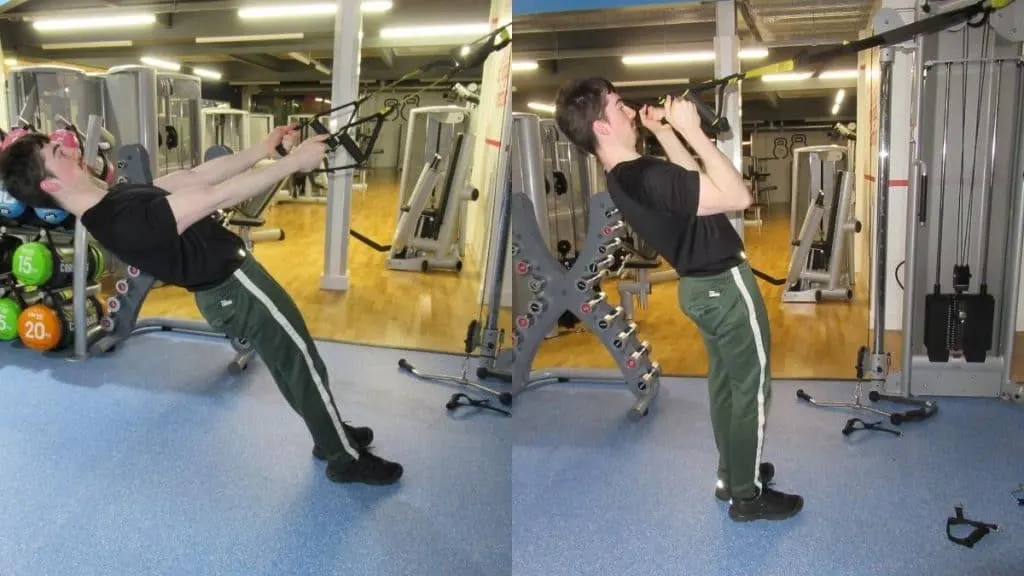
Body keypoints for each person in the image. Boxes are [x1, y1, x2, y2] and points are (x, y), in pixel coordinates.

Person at [0, 126, 404, 486]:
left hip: (231, 283)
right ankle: (344, 459)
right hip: (234, 286)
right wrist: (295, 163)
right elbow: (215, 195)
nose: (69, 148)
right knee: (302, 360)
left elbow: (196, 177)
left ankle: (328, 435)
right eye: (57, 152)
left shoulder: (112, 196)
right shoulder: (118, 219)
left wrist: (262, 149)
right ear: (51, 185)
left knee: (288, 361)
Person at [553, 78, 802, 522]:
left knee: (727, 385)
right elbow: (737, 196)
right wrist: (692, 131)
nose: (629, 110)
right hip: (725, 286)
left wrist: (668, 133)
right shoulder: (645, 175)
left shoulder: (624, 178)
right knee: (752, 389)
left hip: (699, 289)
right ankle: (746, 496)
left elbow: (693, 187)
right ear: (601, 126)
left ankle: (732, 474)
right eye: (617, 106)